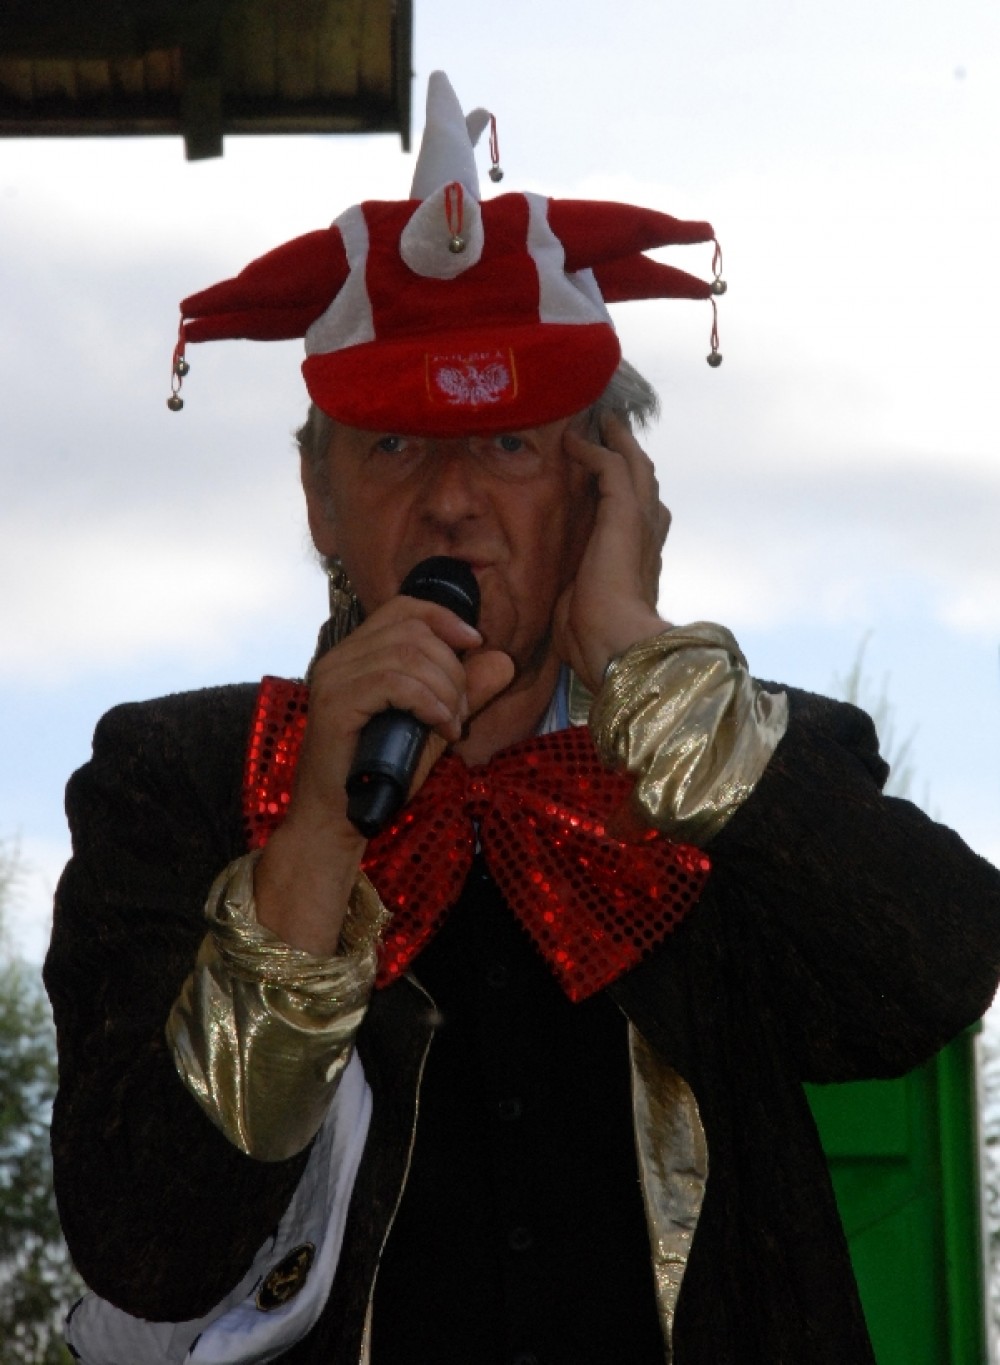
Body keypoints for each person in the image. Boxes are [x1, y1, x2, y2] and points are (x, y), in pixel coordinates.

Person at [45, 72, 1000, 1365]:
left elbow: (932, 977)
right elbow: (144, 1243)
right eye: (394, 445)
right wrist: (314, 842)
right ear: (320, 500)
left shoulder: (745, 773)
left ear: (609, 487)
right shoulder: (180, 780)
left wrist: (656, 679)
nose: (451, 502)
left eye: (508, 444)